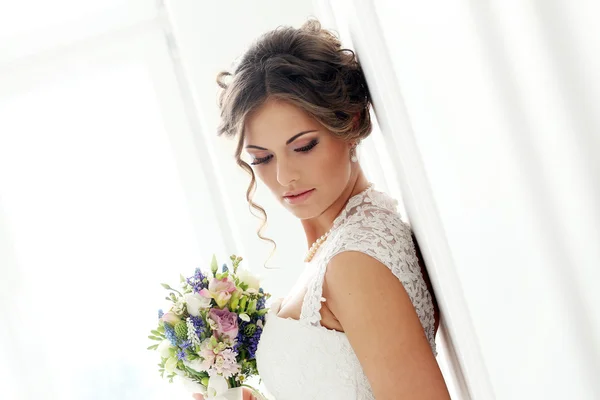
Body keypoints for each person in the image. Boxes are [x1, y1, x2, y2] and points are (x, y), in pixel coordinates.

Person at [195, 18, 451, 400]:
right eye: (262, 158)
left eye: (303, 147)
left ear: (350, 122)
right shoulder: (340, 243)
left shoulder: (354, 261)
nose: (283, 176)